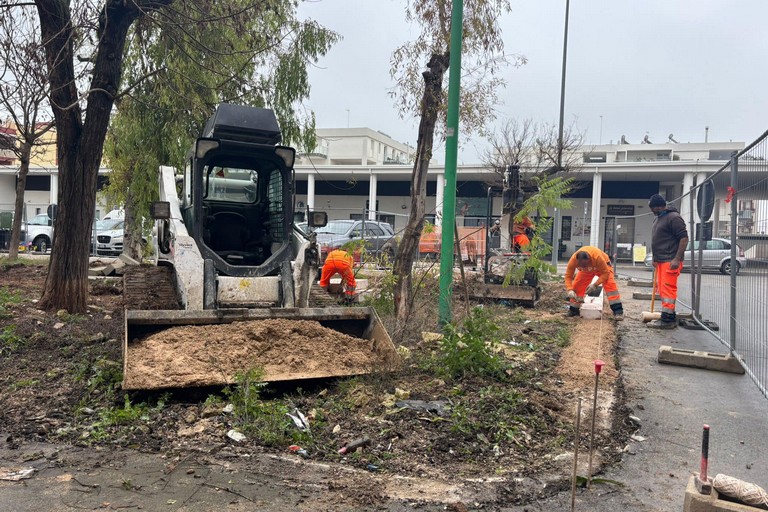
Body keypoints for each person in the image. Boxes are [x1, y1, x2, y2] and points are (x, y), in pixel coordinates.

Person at [648, 193, 689, 329]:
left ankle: (667, 321)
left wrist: (677, 259)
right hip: (661, 260)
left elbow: (684, 238)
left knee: (668, 290)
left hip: (670, 260)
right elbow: (657, 239)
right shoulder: (658, 219)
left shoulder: (674, 218)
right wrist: (655, 257)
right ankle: (668, 315)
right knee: (662, 289)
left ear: (660, 206)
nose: (652, 211)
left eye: (654, 208)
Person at [564, 246, 624, 321]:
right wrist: (570, 290)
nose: (583, 266)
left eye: (585, 264)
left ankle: (618, 311)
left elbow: (605, 274)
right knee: (577, 285)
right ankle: (573, 310)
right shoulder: (573, 260)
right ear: (577, 261)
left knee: (610, 286)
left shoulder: (597, 257)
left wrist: (595, 285)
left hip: (603, 268)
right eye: (581, 265)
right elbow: (568, 276)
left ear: (589, 259)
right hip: (586, 271)